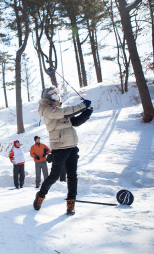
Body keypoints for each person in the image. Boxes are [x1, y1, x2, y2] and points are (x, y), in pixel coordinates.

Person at [33, 85, 93, 215]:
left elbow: (74, 122)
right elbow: (66, 111)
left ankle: (71, 203)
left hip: (72, 147)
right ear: (47, 95)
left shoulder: (58, 109)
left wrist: (87, 114)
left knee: (72, 176)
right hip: (59, 148)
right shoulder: (47, 109)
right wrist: (83, 105)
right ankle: (40, 195)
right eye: (52, 93)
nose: (55, 94)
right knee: (54, 176)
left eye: (56, 92)